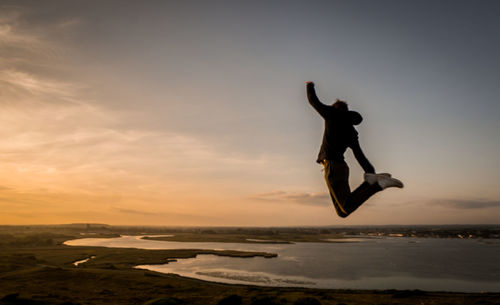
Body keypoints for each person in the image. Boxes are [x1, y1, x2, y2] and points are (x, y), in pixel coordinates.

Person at [306, 81, 403, 218]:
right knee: (342, 212)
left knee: (346, 206)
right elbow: (359, 155)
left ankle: (377, 185)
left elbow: (313, 101)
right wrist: (370, 172)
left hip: (332, 167)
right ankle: (373, 181)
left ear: (335, 108)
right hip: (342, 168)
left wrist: (309, 85)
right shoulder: (351, 131)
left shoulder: (331, 114)